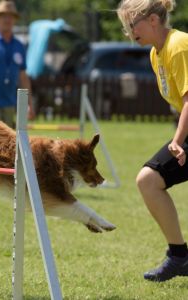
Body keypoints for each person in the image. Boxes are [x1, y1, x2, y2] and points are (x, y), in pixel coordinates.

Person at [117, 0, 188, 282]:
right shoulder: (156, 54)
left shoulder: (179, 45)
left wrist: (178, 139)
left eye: (131, 23)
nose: (128, 31)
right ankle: (179, 257)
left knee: (149, 179)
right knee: (149, 180)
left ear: (153, 20)